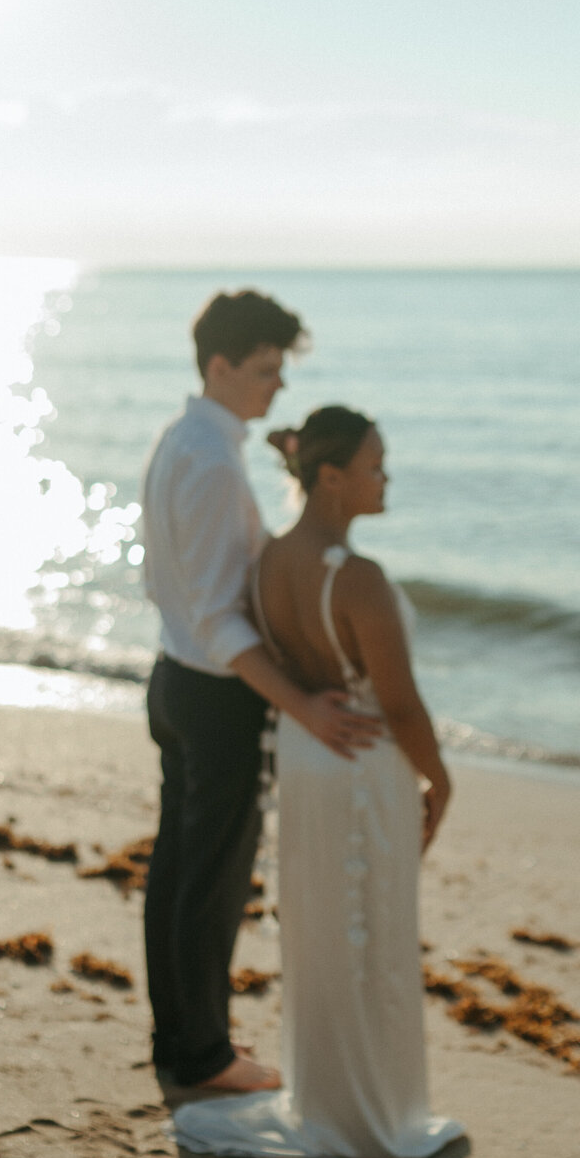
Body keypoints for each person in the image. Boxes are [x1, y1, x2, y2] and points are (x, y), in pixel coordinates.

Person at [172, 406, 463, 1158]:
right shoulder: (358, 579)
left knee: (324, 932)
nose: (386, 477)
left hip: (305, 755)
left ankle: (329, 1097)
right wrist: (440, 781)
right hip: (363, 759)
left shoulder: (267, 561)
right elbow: (399, 705)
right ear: (330, 478)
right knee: (373, 931)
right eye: (376, 465)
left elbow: (254, 646)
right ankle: (371, 1114)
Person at [142, 295, 376, 1096]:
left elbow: (177, 593)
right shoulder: (208, 462)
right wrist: (304, 704)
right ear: (220, 366)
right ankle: (202, 1056)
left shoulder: (187, 441)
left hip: (174, 682)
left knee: (179, 873)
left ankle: (182, 1044)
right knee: (207, 884)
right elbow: (219, 620)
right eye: (266, 369)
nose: (278, 386)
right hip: (213, 697)